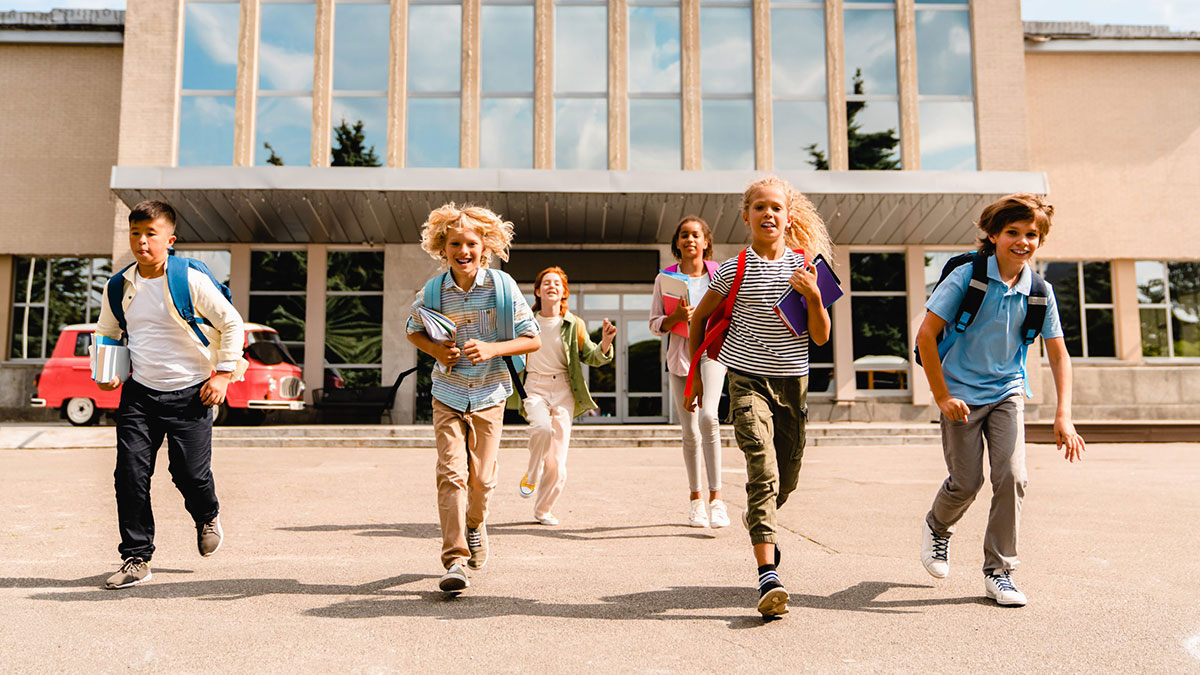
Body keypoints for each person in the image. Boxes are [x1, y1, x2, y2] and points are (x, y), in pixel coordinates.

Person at [916, 194, 1085, 607]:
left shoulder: (1039, 291)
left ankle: (999, 571)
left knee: (1013, 477)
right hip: (959, 395)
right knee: (967, 482)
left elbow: (1059, 353)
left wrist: (1064, 415)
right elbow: (925, 336)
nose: (1022, 241)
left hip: (1007, 391)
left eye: (1032, 234)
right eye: (1013, 232)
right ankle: (938, 526)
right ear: (993, 235)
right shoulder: (967, 279)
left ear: (1040, 241)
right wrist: (942, 395)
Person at [685, 176, 833, 618]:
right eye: (760, 207)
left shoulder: (808, 268)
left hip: (793, 384)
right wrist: (696, 376)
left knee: (785, 479)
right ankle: (768, 573)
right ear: (746, 215)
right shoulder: (733, 269)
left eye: (776, 208)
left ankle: (759, 517)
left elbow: (821, 338)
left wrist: (814, 298)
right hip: (746, 380)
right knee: (762, 468)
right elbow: (699, 322)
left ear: (789, 217)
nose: (768, 214)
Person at [95, 199, 246, 590]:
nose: (142, 242)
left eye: (151, 234)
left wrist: (224, 375)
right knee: (129, 475)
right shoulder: (120, 285)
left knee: (190, 474)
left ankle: (207, 514)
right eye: (135, 233)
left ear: (170, 239)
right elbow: (108, 332)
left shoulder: (188, 279)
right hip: (140, 396)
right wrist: (107, 374)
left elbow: (232, 323)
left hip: (192, 394)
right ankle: (136, 557)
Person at [407, 203, 540, 595]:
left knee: (481, 479)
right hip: (447, 392)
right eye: (454, 244)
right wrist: (435, 352)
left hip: (489, 392)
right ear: (442, 247)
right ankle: (455, 560)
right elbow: (413, 330)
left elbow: (532, 338)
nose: (463, 251)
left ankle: (476, 522)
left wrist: (493, 348)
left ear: (484, 246)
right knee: (451, 474)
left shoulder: (502, 286)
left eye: (470, 243)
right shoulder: (432, 292)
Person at [513, 266, 616, 525]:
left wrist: (605, 342)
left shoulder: (574, 323)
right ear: (537, 291)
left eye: (557, 284)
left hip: (563, 391)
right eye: (546, 283)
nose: (552, 286)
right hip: (534, 386)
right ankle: (532, 473)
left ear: (563, 292)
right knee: (541, 429)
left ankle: (543, 510)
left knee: (558, 460)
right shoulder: (526, 322)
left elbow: (591, 356)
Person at [649, 216, 730, 529]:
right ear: (677, 243)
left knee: (709, 418)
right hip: (680, 359)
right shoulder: (664, 279)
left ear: (706, 242)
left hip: (713, 354)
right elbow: (656, 324)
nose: (690, 240)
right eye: (684, 235)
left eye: (696, 235)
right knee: (690, 432)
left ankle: (717, 500)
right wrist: (676, 318)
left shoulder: (719, 273)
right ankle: (696, 501)